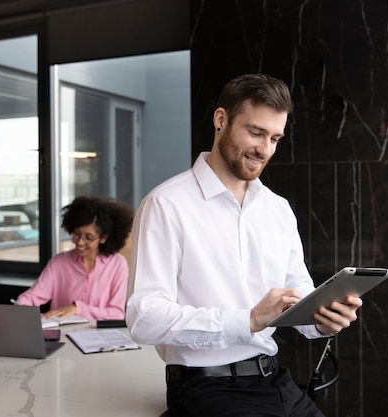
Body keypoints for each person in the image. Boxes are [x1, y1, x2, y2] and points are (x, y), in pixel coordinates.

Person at [125, 74, 363, 417]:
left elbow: (298, 298)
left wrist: (323, 319)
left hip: (275, 381)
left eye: (275, 138)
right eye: (255, 132)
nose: (264, 149)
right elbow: (144, 317)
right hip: (203, 386)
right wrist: (247, 319)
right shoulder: (166, 205)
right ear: (221, 120)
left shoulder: (277, 209)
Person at [15, 195, 133, 320]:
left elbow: (117, 313)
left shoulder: (117, 264)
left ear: (103, 238)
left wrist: (77, 309)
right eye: (77, 234)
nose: (80, 242)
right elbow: (32, 297)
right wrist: (22, 307)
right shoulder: (59, 262)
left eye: (89, 237)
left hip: (99, 336)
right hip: (62, 335)